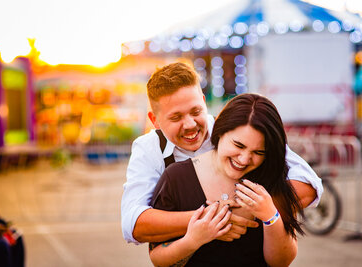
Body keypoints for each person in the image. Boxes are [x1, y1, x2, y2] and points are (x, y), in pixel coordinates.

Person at [121, 62, 322, 244]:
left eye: (196, 111)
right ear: (154, 120)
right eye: (176, 117)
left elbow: (308, 184)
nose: (190, 125)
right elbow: (133, 224)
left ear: (202, 100)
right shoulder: (148, 148)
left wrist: (249, 212)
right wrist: (213, 222)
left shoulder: (233, 128)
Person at [149, 93, 303, 266]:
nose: (244, 159)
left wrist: (270, 216)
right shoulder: (176, 178)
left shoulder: (272, 177)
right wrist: (193, 240)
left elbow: (281, 262)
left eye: (258, 152)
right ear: (220, 131)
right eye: (239, 145)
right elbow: (157, 259)